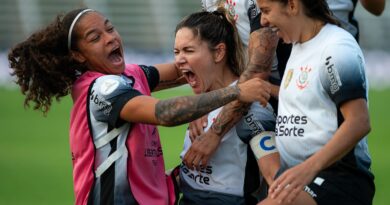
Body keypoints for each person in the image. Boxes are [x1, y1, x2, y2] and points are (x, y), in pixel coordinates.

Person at [7, 8, 273, 205]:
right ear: (78, 55)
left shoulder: (131, 75)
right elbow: (165, 113)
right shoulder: (102, 90)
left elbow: (191, 67)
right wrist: (236, 92)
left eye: (110, 28)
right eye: (95, 37)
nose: (109, 38)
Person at [254, 0, 374, 204]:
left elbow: (359, 122)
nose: (262, 20)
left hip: (337, 179)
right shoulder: (298, 44)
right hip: (301, 176)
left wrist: (307, 169)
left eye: (266, 11)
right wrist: (269, 91)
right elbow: (311, 98)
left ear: (292, 5)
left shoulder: (336, 47)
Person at [173, 9, 280, 205]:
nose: (179, 60)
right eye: (176, 52)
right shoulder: (200, 104)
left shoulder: (250, 107)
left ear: (219, 52)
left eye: (188, 50)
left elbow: (278, 184)